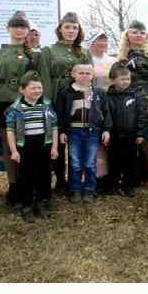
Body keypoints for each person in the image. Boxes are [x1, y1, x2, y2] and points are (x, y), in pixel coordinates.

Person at [0, 13, 50, 207]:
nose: (19, 30)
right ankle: (14, 185)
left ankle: (30, 185)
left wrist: (44, 102)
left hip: (28, 103)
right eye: (15, 26)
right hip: (5, 102)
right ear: (8, 28)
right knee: (9, 147)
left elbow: (42, 80)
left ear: (27, 30)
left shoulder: (35, 53)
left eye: (23, 27)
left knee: (29, 144)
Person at [42, 12, 92, 194]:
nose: (71, 31)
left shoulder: (84, 52)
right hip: (56, 96)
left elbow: (89, 77)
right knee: (58, 139)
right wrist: (47, 102)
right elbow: (45, 77)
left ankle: (75, 180)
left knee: (76, 139)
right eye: (67, 27)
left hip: (78, 99)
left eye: (75, 27)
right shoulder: (48, 51)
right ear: (60, 29)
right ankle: (60, 179)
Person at [4, 72, 59, 222]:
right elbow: (10, 131)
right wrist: (14, 151)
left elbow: (54, 127)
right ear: (22, 90)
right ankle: (26, 204)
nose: (37, 91)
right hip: (25, 145)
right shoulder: (16, 108)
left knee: (44, 174)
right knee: (25, 176)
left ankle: (43, 202)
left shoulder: (46, 105)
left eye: (39, 88)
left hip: (43, 144)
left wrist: (54, 147)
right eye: (32, 88)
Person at [55, 63, 111, 203]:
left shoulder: (98, 93)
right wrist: (62, 131)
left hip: (92, 132)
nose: (85, 76)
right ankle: (75, 190)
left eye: (88, 73)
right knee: (75, 162)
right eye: (81, 73)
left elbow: (106, 112)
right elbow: (60, 114)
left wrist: (106, 130)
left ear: (92, 76)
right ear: (73, 75)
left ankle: (89, 190)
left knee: (90, 163)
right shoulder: (66, 92)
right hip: (74, 131)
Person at [116, 20, 148, 188]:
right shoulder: (122, 57)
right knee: (129, 138)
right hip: (126, 102)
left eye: (142, 33)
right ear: (127, 35)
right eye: (135, 32)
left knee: (143, 139)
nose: (138, 35)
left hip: (145, 101)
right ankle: (133, 174)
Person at [105, 64, 147, 197]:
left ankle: (129, 185)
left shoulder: (135, 95)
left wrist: (140, 132)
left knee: (131, 160)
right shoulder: (108, 96)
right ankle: (113, 185)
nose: (126, 82)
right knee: (114, 160)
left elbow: (141, 114)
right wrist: (107, 131)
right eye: (122, 79)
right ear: (113, 80)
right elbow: (106, 115)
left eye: (128, 79)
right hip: (114, 135)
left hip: (131, 134)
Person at [86, 29, 117, 183]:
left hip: (110, 101)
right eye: (99, 40)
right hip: (93, 102)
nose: (103, 44)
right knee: (95, 139)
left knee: (109, 136)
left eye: (105, 41)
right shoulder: (87, 59)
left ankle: (111, 175)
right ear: (92, 42)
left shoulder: (112, 61)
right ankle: (97, 175)